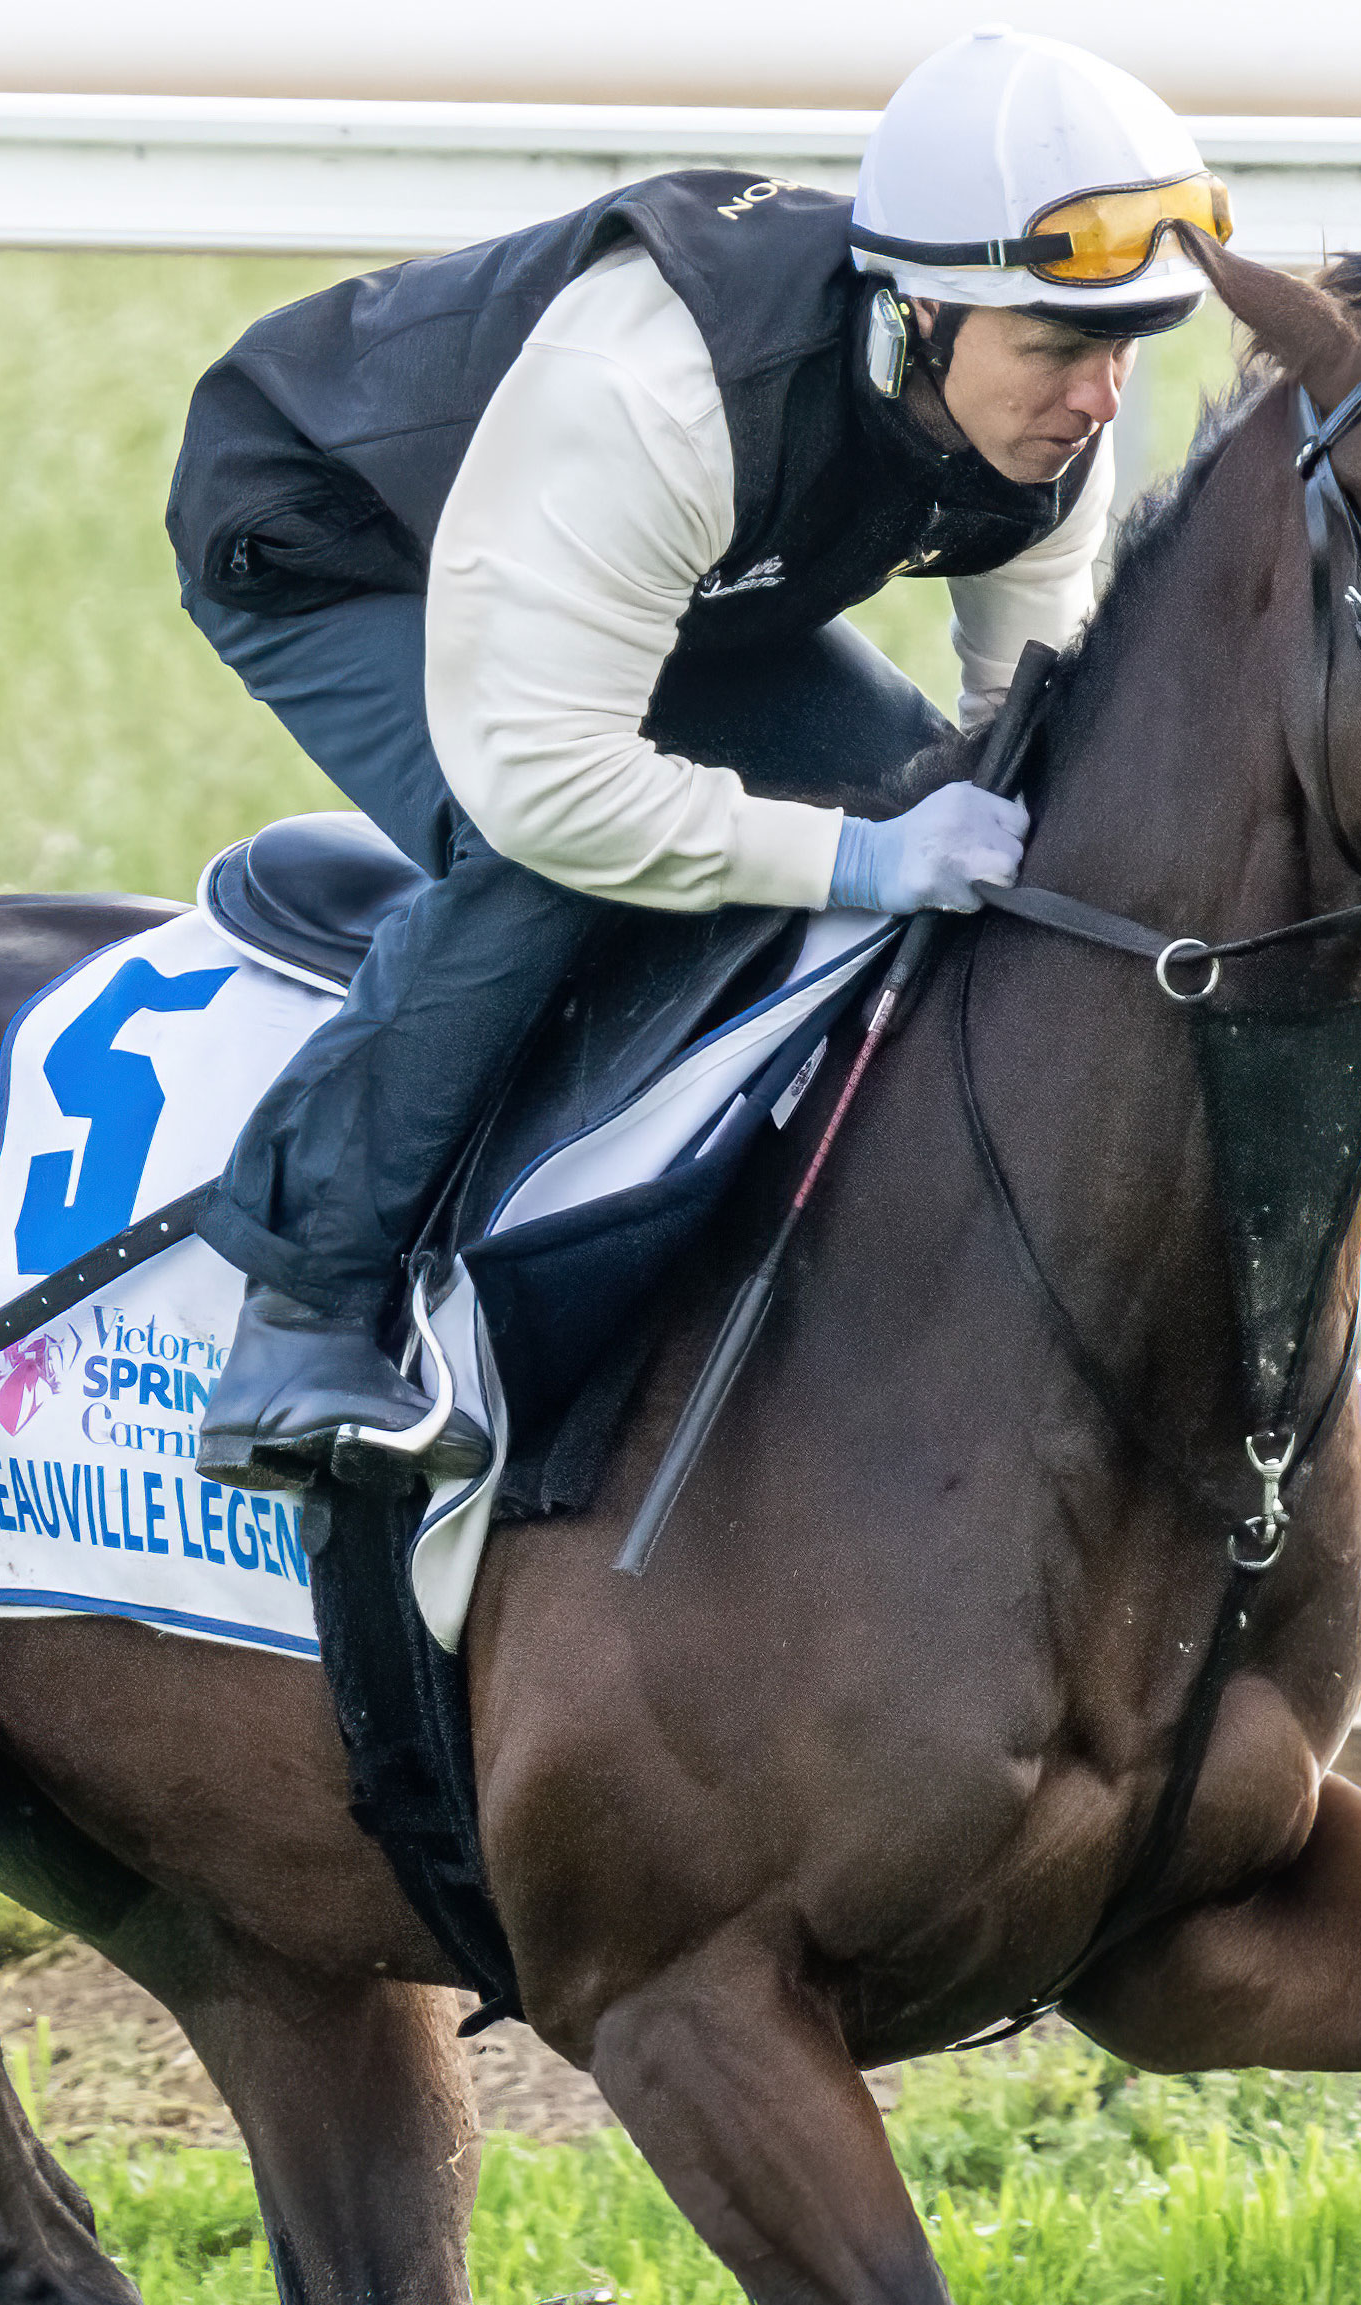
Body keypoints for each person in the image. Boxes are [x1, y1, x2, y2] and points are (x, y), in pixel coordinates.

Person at [165, 28, 1226, 1492]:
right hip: (341, 544)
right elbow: (545, 786)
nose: (1098, 398)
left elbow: (1018, 741)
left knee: (932, 793)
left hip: (662, 578)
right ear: (918, 313)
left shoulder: (1046, 423)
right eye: (1056, 348)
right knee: (546, 871)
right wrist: (856, 855)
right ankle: (303, 1316)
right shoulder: (653, 386)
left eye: (1120, 347)